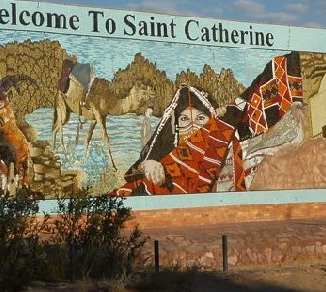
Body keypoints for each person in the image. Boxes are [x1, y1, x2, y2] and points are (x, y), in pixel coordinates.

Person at [114, 52, 303, 196]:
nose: (193, 126)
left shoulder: (227, 146)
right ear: (175, 126)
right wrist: (148, 165)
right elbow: (134, 175)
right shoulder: (166, 153)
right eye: (185, 119)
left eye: (200, 119)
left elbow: (254, 113)